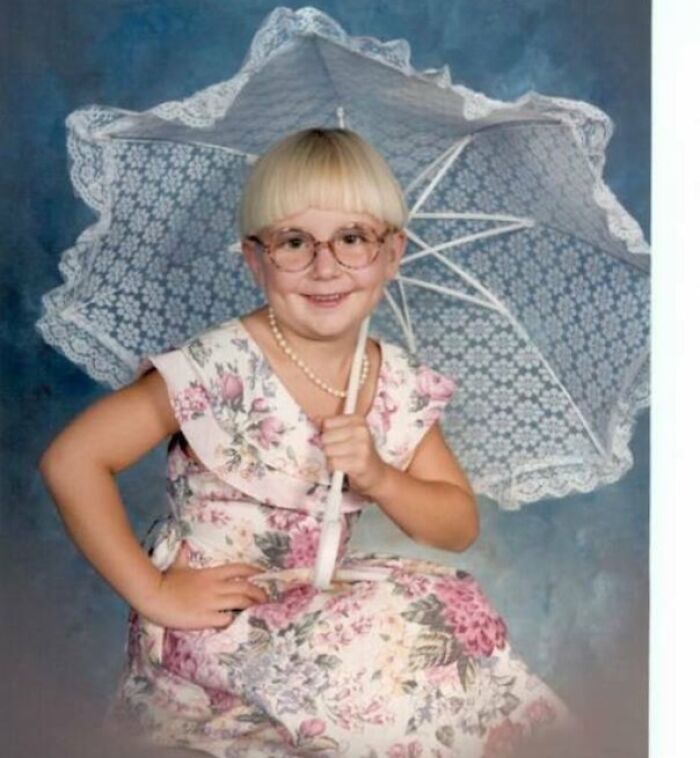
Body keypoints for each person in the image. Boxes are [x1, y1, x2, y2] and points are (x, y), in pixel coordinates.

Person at [40, 128, 572, 757]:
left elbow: (457, 525)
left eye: (353, 239)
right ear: (254, 258)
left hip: (312, 603)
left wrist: (380, 476)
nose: (326, 267)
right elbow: (72, 460)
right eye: (294, 242)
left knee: (444, 605)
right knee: (379, 649)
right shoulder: (217, 367)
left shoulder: (392, 382)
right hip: (220, 616)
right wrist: (154, 593)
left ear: (392, 253)